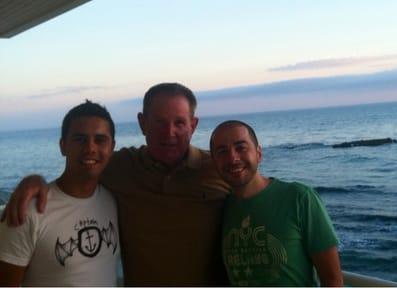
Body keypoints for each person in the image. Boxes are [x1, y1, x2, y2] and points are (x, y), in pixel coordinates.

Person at [2, 83, 230, 286]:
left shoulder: (218, 168)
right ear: (142, 123)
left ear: (193, 125)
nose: (169, 132)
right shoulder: (121, 167)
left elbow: (255, 191)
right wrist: (34, 181)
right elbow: (82, 170)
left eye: (179, 122)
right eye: (159, 121)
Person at [209, 120, 343, 286]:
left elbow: (332, 279)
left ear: (259, 153)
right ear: (214, 161)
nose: (233, 158)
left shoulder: (299, 198)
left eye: (241, 147)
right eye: (222, 151)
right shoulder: (221, 209)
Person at [0, 100, 119, 286]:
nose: (90, 148)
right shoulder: (28, 210)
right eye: (79, 139)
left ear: (112, 147)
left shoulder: (113, 199)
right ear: (63, 146)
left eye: (100, 140)